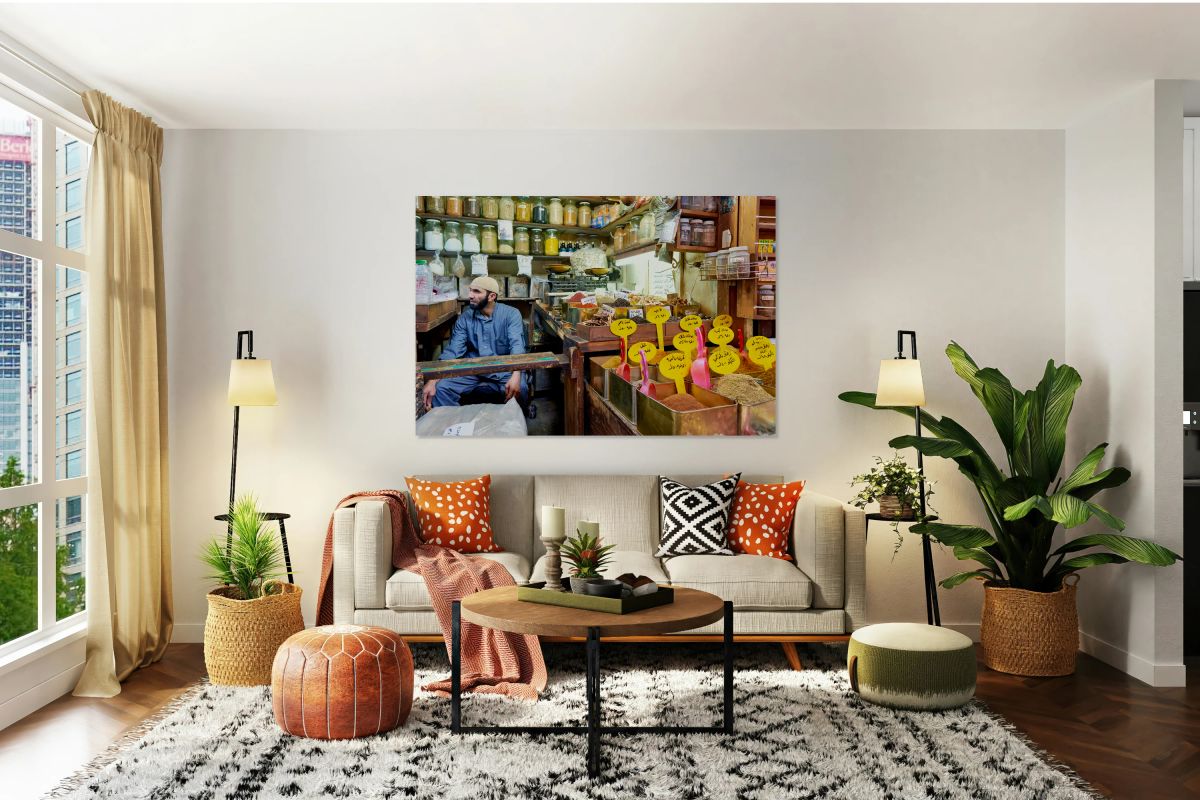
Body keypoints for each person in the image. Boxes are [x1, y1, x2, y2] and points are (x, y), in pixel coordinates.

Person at [423, 276, 529, 409]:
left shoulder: (511, 314)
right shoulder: (465, 317)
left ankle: (514, 424)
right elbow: (453, 351)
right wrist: (433, 379)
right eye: (470, 290)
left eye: (477, 291)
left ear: (491, 296)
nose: (470, 296)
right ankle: (456, 426)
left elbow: (517, 345)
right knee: (441, 389)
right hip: (473, 368)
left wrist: (516, 374)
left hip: (504, 368)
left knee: (521, 389)